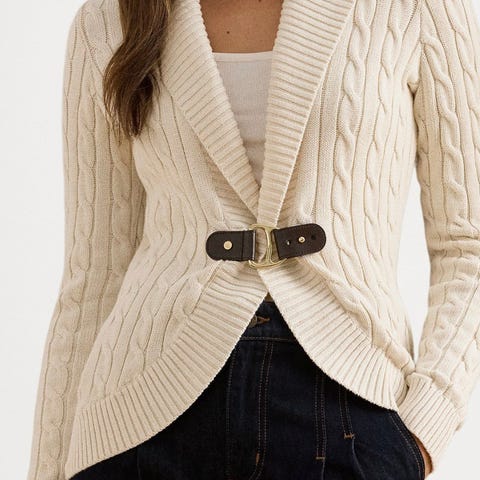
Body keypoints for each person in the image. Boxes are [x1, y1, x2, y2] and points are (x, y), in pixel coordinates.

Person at [26, 0, 480, 478]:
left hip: (350, 409)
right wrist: (49, 469)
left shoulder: (416, 8)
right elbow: (94, 278)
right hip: (138, 416)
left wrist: (426, 422)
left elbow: (467, 244)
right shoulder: (108, 20)